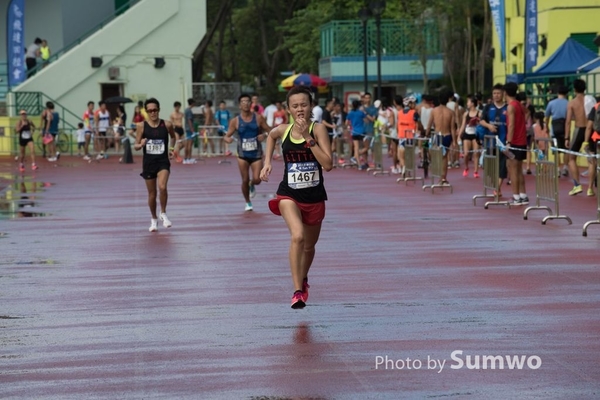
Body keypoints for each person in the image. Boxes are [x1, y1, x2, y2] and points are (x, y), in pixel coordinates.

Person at [259, 86, 333, 309]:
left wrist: (309, 138)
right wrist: (268, 162)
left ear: (311, 106)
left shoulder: (318, 129)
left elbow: (328, 165)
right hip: (288, 193)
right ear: (288, 108)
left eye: (304, 104)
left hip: (314, 196)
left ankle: (304, 279)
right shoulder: (283, 130)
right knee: (297, 236)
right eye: (295, 106)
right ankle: (297, 291)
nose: (300, 109)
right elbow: (271, 136)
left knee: (309, 247)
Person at [134, 98, 176, 232]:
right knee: (152, 193)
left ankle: (163, 213)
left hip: (163, 161)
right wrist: (140, 144)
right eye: (150, 111)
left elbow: (173, 137)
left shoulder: (167, 124)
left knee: (162, 187)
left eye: (155, 110)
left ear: (159, 110)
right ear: (146, 112)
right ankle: (153, 219)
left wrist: (171, 149)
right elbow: (135, 145)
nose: (153, 113)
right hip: (149, 163)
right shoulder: (141, 126)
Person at [224, 93, 271, 211]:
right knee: (244, 179)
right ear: (239, 105)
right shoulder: (235, 121)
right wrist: (227, 139)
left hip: (256, 154)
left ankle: (252, 184)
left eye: (247, 101)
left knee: (257, 179)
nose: (245, 103)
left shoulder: (258, 118)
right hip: (242, 155)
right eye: (243, 102)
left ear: (251, 104)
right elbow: (226, 136)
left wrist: (264, 135)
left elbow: (271, 131)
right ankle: (248, 202)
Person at [480, 83, 508, 196]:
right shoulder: (488, 107)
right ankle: (496, 185)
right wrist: (489, 126)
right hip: (490, 141)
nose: (496, 95)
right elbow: (481, 120)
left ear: (503, 94)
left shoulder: (507, 107)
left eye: (498, 93)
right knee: (489, 166)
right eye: (494, 93)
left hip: (503, 141)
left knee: (502, 165)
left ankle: (497, 188)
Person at [504, 82, 529, 206]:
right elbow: (528, 112)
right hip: (522, 141)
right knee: (518, 169)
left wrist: (508, 142)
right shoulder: (518, 104)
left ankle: (516, 197)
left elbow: (511, 125)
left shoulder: (511, 106)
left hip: (515, 142)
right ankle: (523, 195)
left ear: (505, 93)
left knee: (513, 169)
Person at [426, 90, 456, 185]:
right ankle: (443, 178)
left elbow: (429, 125)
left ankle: (440, 176)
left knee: (435, 155)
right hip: (447, 136)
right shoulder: (451, 112)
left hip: (437, 136)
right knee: (444, 157)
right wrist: (454, 141)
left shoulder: (434, 111)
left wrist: (426, 134)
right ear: (447, 100)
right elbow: (452, 128)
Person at [565, 79, 589, 195]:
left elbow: (568, 122)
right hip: (590, 129)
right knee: (592, 158)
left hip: (579, 129)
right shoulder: (590, 100)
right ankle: (590, 188)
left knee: (571, 158)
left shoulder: (572, 102)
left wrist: (566, 137)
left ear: (574, 89)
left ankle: (577, 185)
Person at [545, 85, 569, 176]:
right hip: (565, 127)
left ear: (558, 92)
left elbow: (547, 117)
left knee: (556, 149)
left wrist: (546, 126)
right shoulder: (568, 103)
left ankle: (558, 169)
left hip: (554, 127)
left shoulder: (551, 103)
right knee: (566, 149)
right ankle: (565, 167)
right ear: (567, 93)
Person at [457, 95, 481, 178]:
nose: (467, 103)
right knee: (466, 154)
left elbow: (482, 124)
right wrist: (459, 135)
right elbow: (463, 125)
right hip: (467, 134)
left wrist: (477, 122)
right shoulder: (466, 114)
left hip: (475, 135)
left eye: (468, 102)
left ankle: (476, 171)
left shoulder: (479, 113)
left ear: (472, 103)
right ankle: (466, 168)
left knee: (476, 153)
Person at [397, 96, 420, 176]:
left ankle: (404, 167)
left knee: (401, 156)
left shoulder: (399, 113)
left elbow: (398, 125)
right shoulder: (414, 113)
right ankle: (408, 171)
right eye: (414, 103)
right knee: (410, 155)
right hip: (411, 137)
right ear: (410, 104)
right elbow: (418, 125)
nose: (415, 105)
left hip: (402, 137)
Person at [583, 97, 600, 197]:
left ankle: (590, 188)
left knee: (592, 163)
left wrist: (585, 142)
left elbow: (589, 126)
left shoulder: (596, 107)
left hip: (596, 139)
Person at [346, 100, 367, 166]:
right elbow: (366, 120)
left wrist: (350, 125)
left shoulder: (350, 113)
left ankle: (358, 163)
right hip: (361, 132)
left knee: (356, 148)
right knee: (366, 147)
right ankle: (356, 156)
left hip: (354, 132)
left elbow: (346, 123)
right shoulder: (361, 113)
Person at [183, 98, 196, 164]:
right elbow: (189, 120)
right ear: (192, 103)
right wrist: (192, 129)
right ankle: (188, 158)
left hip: (187, 128)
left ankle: (186, 158)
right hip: (189, 129)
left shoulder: (186, 110)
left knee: (187, 144)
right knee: (189, 144)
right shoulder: (189, 111)